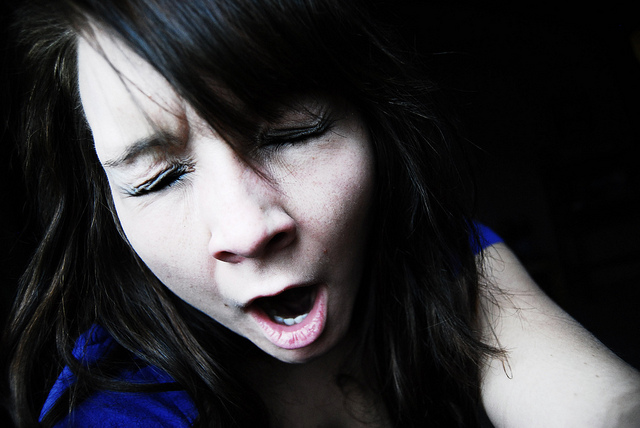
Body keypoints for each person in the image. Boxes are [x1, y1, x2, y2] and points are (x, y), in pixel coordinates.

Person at [4, 0, 640, 426]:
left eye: (291, 134)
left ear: (373, 121)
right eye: (158, 178)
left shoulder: (444, 262)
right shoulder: (113, 407)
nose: (246, 230)